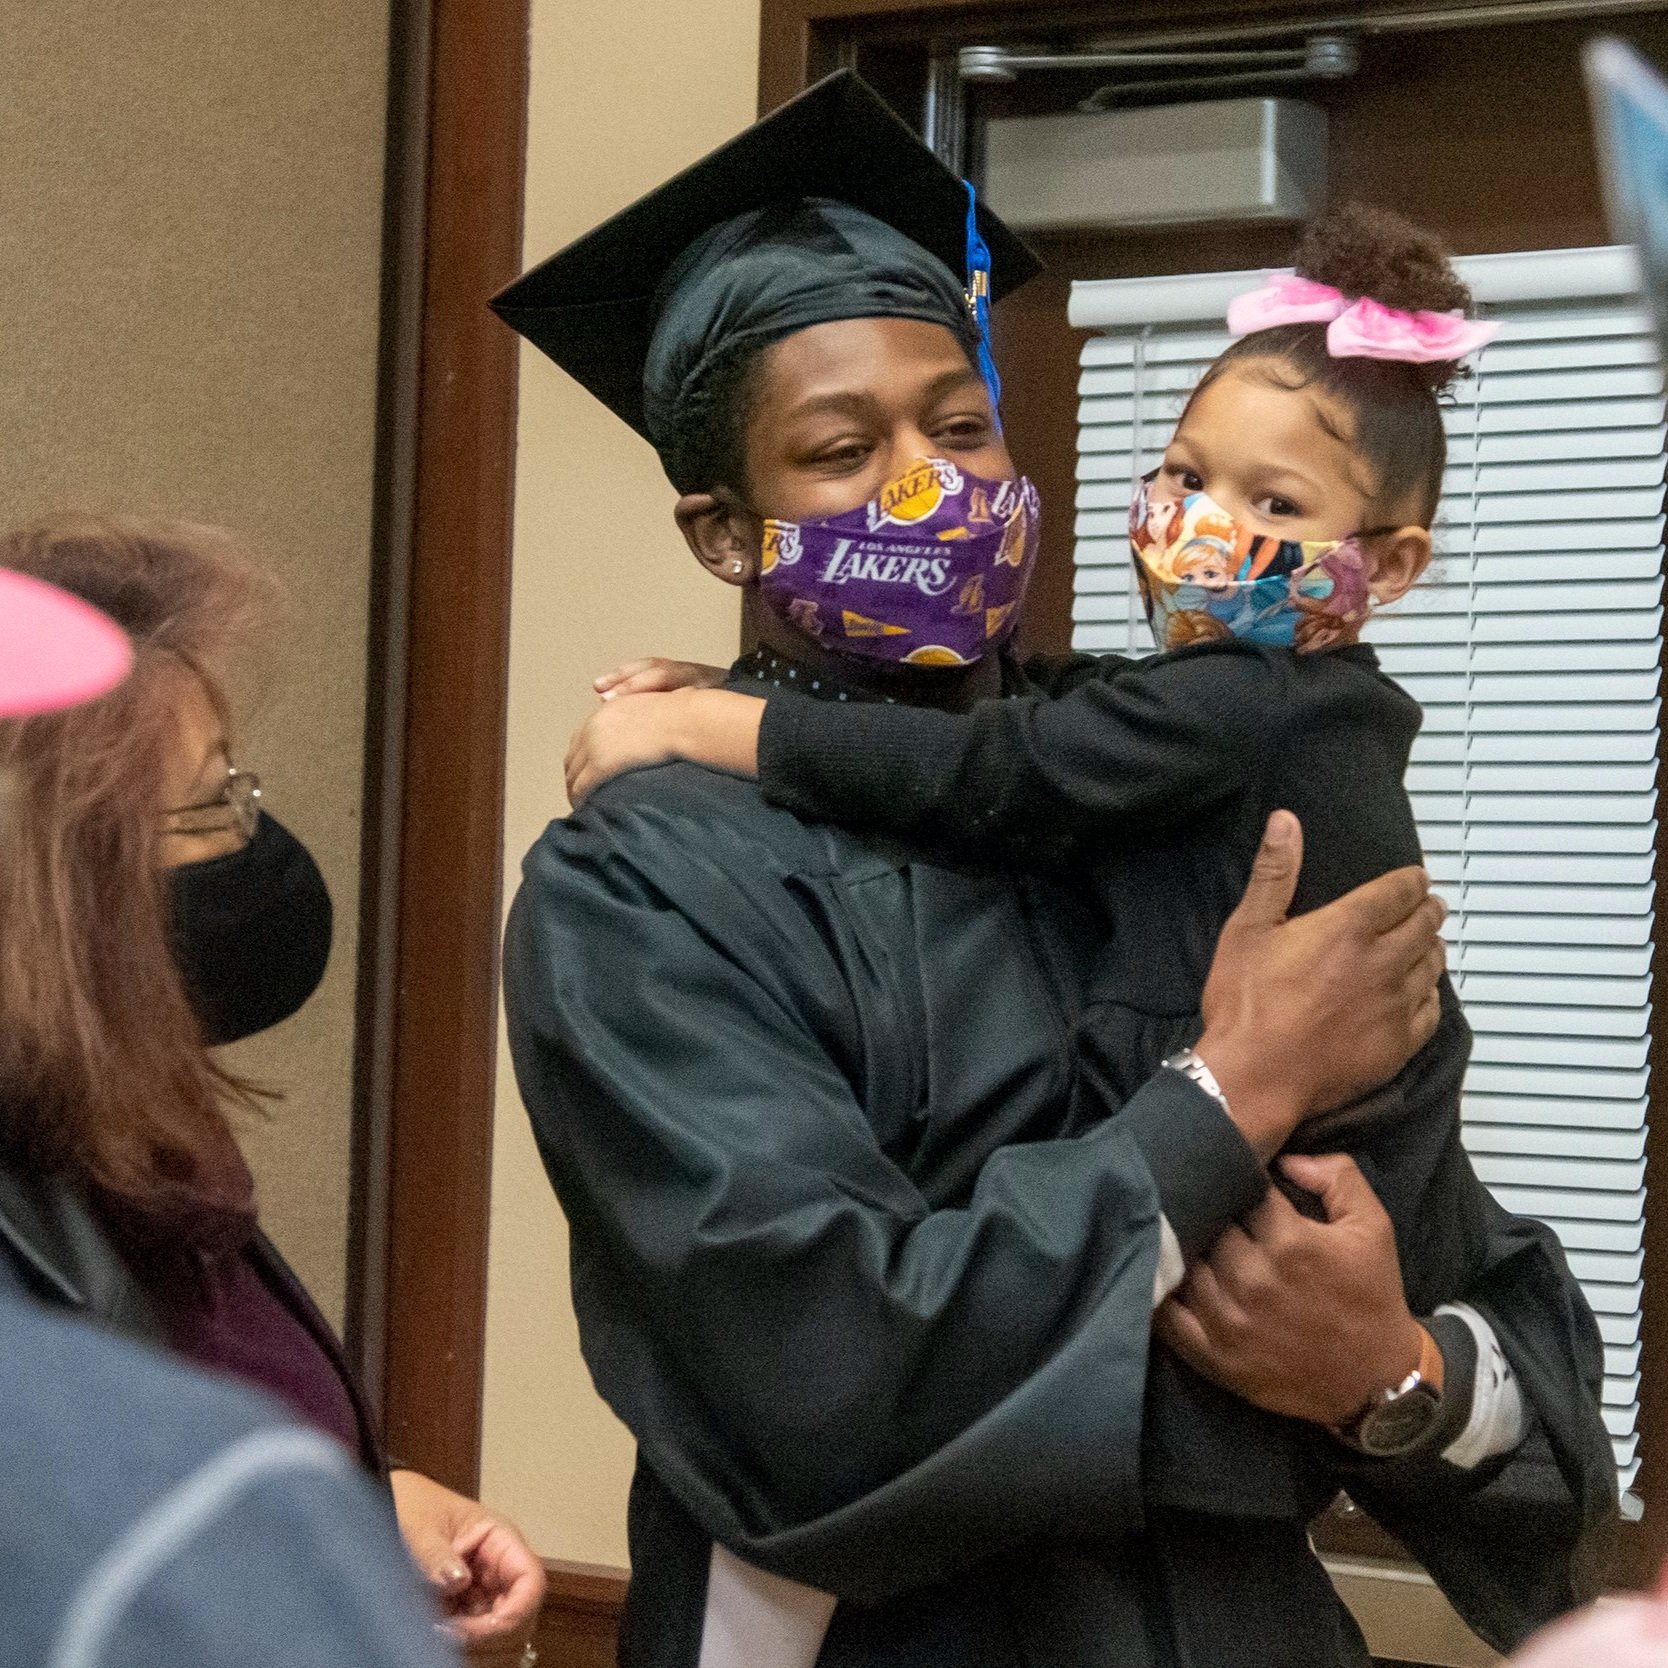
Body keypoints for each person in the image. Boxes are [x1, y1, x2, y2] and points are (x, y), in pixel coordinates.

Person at [498, 71, 1610, 1668]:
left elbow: (1472, 1299)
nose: (928, 484)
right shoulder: (652, 878)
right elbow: (819, 1368)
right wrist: (1227, 1098)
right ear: (725, 533)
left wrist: (1391, 1375)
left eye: (960, 427)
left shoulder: (1178, 782)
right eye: (839, 450)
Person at [0, 515, 545, 1658]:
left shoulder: (138, 1141)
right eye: (209, 807)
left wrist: (351, 1500)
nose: (254, 839)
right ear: (62, 880)